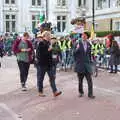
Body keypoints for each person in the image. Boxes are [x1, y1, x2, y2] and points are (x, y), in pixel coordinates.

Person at [36, 31, 62, 97]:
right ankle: (40, 91)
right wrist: (48, 50)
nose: (50, 36)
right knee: (41, 78)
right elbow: (39, 55)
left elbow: (50, 53)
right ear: (45, 36)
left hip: (49, 64)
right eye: (49, 35)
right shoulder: (41, 43)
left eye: (50, 35)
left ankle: (55, 91)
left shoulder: (48, 43)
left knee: (52, 78)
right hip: (42, 64)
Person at [73, 32, 95, 99]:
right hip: (80, 65)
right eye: (83, 35)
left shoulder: (89, 44)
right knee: (80, 81)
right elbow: (73, 53)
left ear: (87, 37)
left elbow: (89, 54)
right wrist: (77, 49)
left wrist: (91, 61)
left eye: (85, 36)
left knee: (90, 81)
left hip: (87, 65)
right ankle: (81, 92)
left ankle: (90, 94)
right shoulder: (77, 43)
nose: (83, 36)